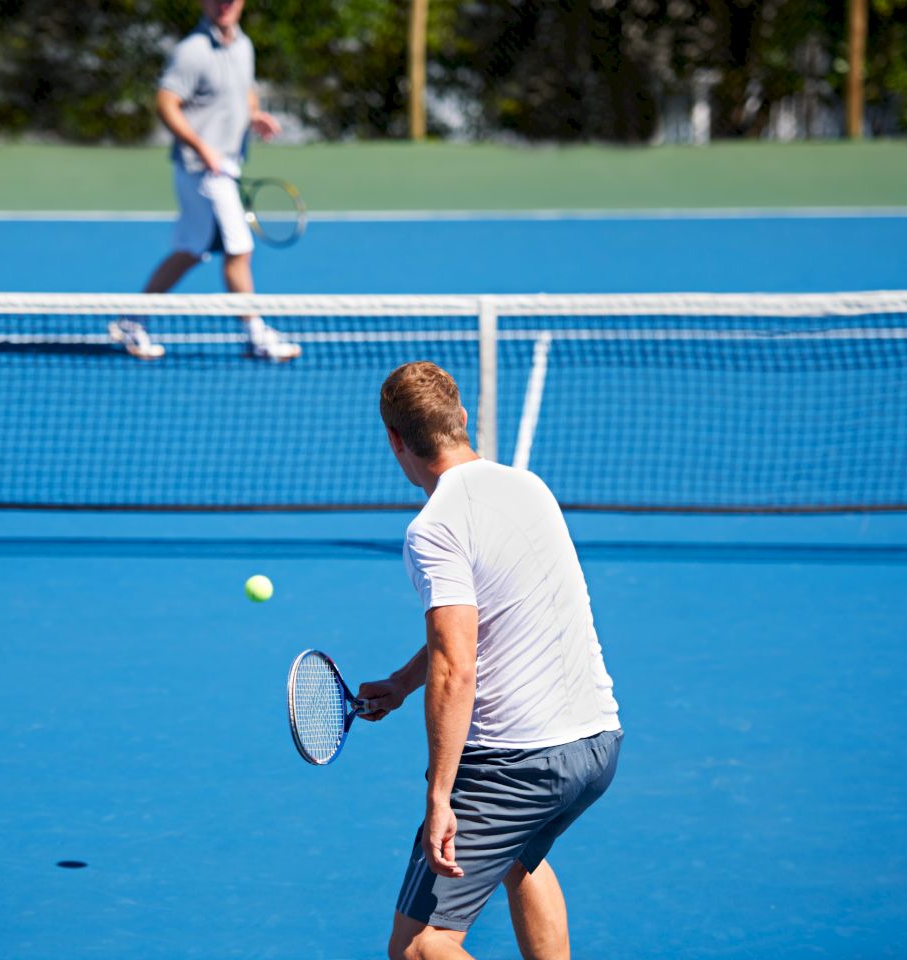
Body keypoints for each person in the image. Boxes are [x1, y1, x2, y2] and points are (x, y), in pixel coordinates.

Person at [359, 361, 622, 960]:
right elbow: (488, 620)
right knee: (519, 860)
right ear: (463, 420)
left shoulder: (434, 529)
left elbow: (456, 665)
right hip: (597, 744)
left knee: (421, 949)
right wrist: (402, 682)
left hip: (518, 765)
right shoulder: (529, 487)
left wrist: (441, 796)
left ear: (395, 440)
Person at [110, 0, 300, 362]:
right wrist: (202, 147)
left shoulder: (244, 46)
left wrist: (254, 115)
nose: (224, 6)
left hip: (225, 166)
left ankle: (131, 320)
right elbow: (166, 104)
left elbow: (245, 90)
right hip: (201, 169)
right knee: (239, 249)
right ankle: (256, 334)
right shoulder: (191, 52)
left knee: (191, 251)